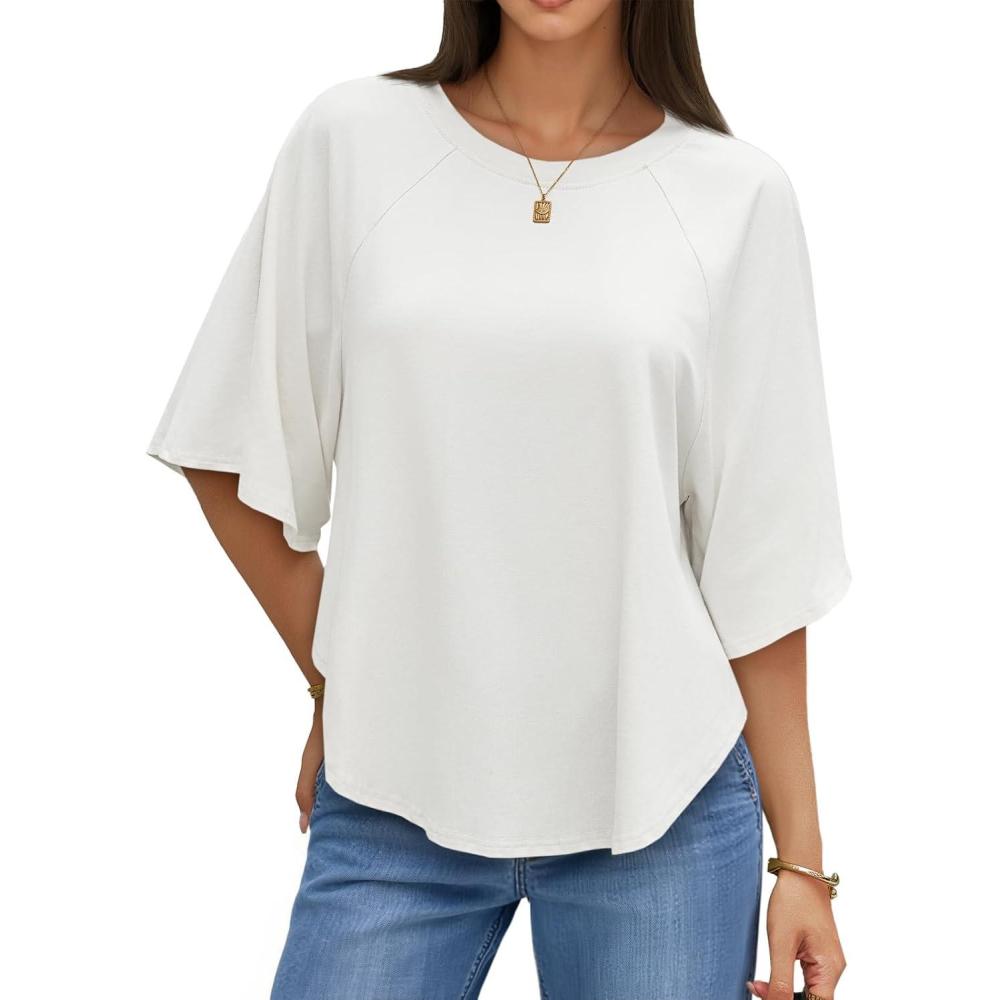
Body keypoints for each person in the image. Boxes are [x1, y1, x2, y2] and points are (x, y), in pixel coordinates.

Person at [145, 2, 850, 997]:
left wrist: (803, 864)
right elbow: (228, 447)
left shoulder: (736, 195)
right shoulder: (354, 142)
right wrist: (341, 683)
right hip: (391, 799)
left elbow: (760, 564)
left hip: (663, 804)